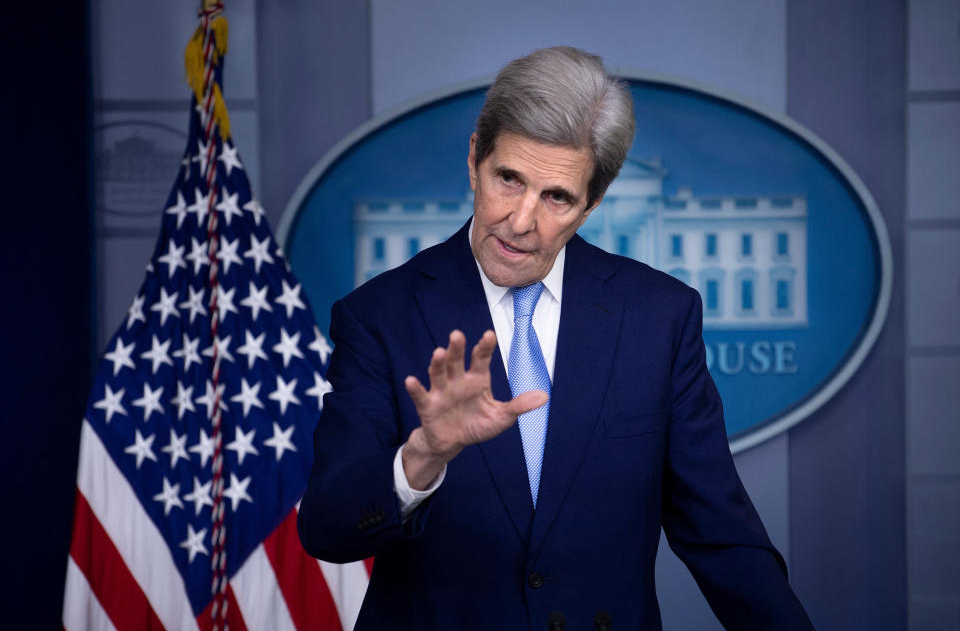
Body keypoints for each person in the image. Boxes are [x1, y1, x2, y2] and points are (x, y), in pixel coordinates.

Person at [298, 46, 813, 630]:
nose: (520, 221)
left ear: (591, 202)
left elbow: (722, 537)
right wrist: (421, 457)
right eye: (508, 179)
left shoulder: (659, 317)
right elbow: (326, 528)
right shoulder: (378, 316)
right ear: (474, 160)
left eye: (556, 197)